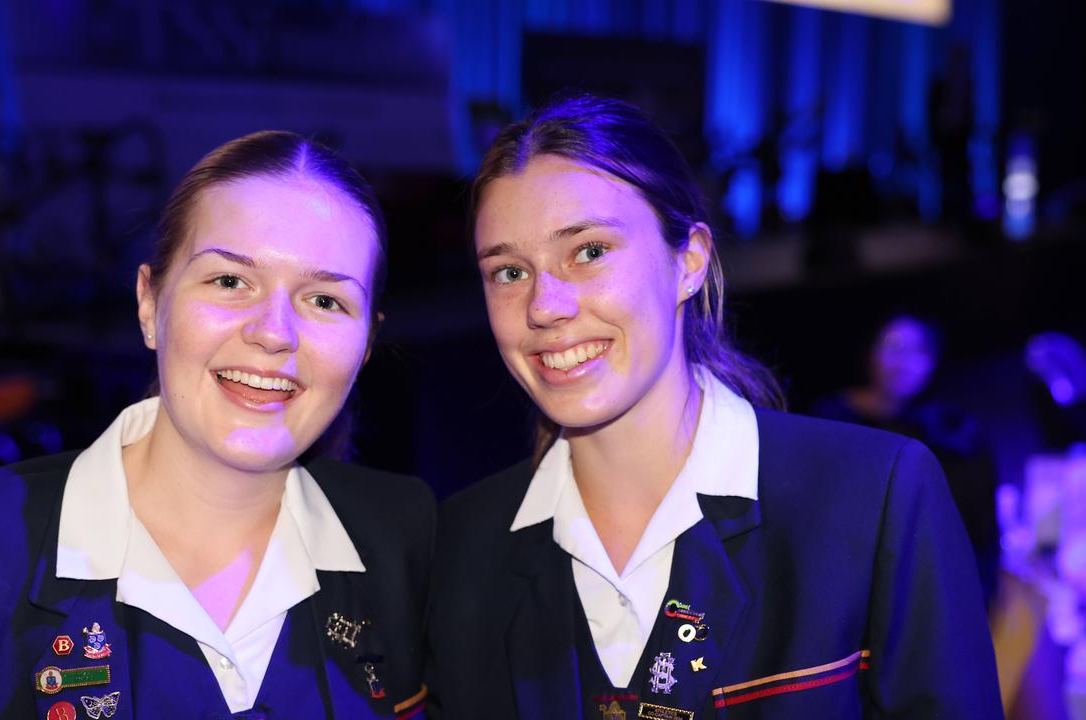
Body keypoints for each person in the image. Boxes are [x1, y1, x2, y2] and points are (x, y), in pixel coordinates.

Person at [427, 94, 1000, 718]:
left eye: (588, 251)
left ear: (689, 261)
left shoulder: (874, 497)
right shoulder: (462, 547)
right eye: (508, 273)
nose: (545, 305)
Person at [0, 131, 434, 718]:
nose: (274, 332)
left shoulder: (411, 542)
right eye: (230, 282)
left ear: (366, 345)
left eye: (325, 301)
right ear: (150, 305)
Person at [812, 314, 999, 604]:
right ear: (870, 351)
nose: (903, 362)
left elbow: (981, 532)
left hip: (936, 588)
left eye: (918, 352)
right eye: (893, 347)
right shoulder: (833, 421)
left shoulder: (954, 432)